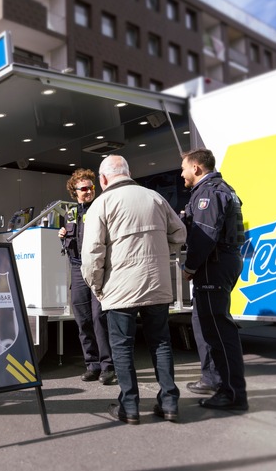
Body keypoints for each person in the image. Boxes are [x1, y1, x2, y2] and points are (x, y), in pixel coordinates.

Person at [82, 155, 186, 425]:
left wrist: (96, 285)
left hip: (120, 287)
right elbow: (180, 234)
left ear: (103, 179)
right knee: (161, 343)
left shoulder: (101, 203)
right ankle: (170, 402)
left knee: (123, 347)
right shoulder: (155, 197)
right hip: (157, 283)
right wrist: (161, 254)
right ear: (127, 172)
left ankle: (129, 406)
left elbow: (93, 253)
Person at [180, 148, 249, 411]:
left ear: (196, 168)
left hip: (214, 264)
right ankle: (212, 378)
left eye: (184, 168)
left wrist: (190, 266)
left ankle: (232, 394)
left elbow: (205, 235)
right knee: (202, 322)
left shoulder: (208, 193)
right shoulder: (221, 188)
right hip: (223, 261)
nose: (182, 174)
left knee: (219, 330)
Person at [58, 169, 115, 384]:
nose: (89, 191)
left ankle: (108, 367)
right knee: (82, 319)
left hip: (98, 268)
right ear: (75, 191)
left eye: (91, 187)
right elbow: (71, 241)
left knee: (99, 318)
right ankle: (92, 365)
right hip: (77, 268)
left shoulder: (102, 208)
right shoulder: (70, 213)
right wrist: (62, 236)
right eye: (84, 188)